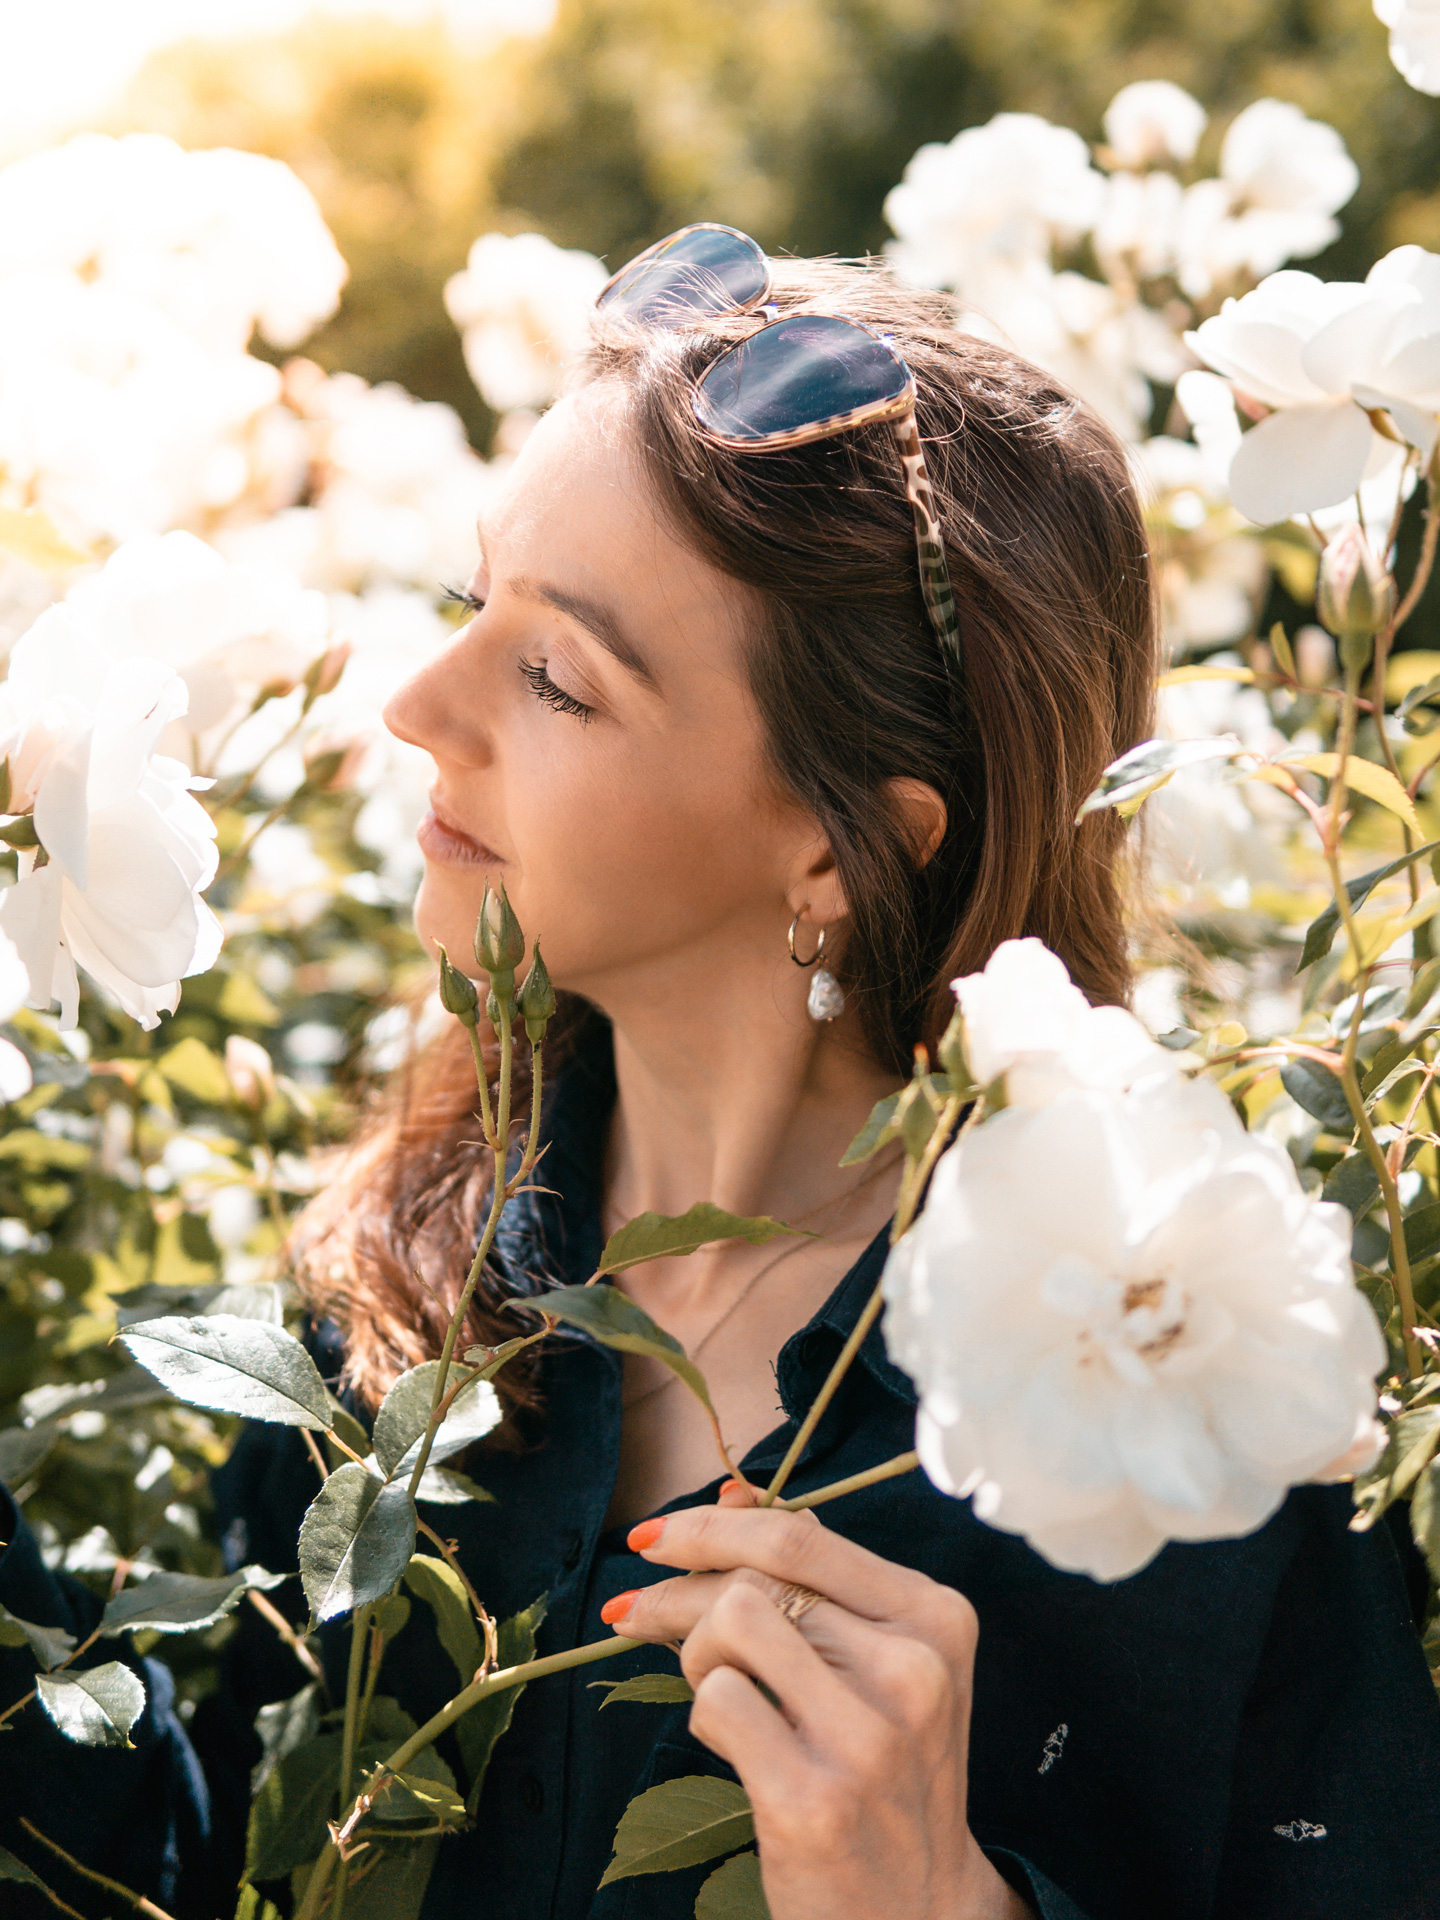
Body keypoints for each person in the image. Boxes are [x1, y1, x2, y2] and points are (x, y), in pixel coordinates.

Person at [2, 241, 1438, 1920]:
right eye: (479, 605)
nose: (411, 705)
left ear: (841, 850)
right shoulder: (396, 1301)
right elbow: (174, 1876)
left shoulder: (1187, 1418)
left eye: (556, 677)